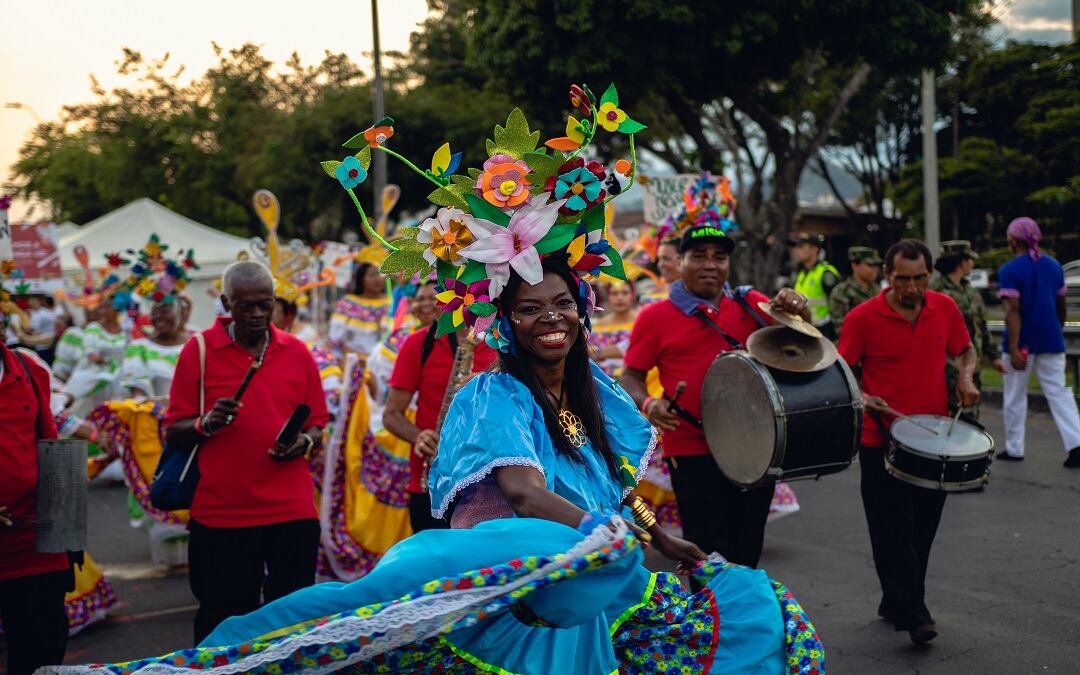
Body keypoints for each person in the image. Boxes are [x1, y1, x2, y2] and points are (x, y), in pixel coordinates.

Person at [622, 224, 810, 569]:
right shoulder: (654, 317)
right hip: (691, 448)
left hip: (755, 445)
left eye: (719, 257)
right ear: (680, 262)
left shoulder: (752, 304)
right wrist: (649, 403)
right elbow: (631, 376)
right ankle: (711, 606)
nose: (710, 264)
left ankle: (741, 606)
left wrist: (801, 311)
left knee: (747, 546)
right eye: (699, 256)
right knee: (705, 551)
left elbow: (802, 342)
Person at [165, 261, 329, 643]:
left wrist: (303, 443)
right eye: (245, 306)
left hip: (291, 511)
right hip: (223, 515)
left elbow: (317, 425)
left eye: (264, 304)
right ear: (226, 303)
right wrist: (207, 422)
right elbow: (173, 430)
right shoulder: (198, 351)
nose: (256, 314)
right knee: (223, 622)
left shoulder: (297, 351)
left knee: (292, 622)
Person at [838, 238, 980, 644]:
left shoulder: (945, 307)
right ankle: (916, 615)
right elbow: (842, 372)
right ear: (888, 275)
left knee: (922, 529)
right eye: (903, 279)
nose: (912, 288)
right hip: (880, 439)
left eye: (920, 278)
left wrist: (966, 376)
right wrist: (864, 397)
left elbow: (966, 350)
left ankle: (896, 598)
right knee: (892, 529)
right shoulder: (862, 318)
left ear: (930, 274)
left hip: (934, 440)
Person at [383, 283, 499, 533]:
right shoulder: (417, 344)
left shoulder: (501, 341)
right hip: (431, 484)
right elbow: (391, 415)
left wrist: (488, 384)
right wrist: (419, 436)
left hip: (491, 483)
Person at [0, 340, 72, 675]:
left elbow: (51, 444)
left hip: (36, 543)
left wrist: (68, 541)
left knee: (45, 647)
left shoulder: (28, 367)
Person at [995, 217, 1080, 466]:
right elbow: (1061, 305)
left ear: (1014, 239)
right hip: (1051, 341)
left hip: (1021, 343)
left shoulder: (1010, 270)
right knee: (1059, 393)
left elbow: (1012, 310)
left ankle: (1015, 449)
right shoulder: (1054, 266)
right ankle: (1076, 444)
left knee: (1014, 396)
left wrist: (1013, 348)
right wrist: (1056, 329)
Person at [930, 240, 1003, 419]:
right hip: (948, 369)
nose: (972, 263)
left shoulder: (970, 291)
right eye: (970, 259)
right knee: (950, 419)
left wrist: (994, 356)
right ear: (962, 262)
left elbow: (981, 326)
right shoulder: (937, 292)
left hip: (972, 366)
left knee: (971, 418)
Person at [328, 260, 390, 358]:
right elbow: (335, 339)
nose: (378, 279)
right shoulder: (348, 303)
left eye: (381, 274)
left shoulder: (391, 304)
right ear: (361, 278)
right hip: (349, 360)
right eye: (372, 275)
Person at [790, 232, 840, 339]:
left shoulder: (825, 273)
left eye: (801, 246)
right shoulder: (802, 273)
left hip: (824, 331)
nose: (796, 250)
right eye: (796, 247)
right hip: (805, 329)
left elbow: (839, 306)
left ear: (814, 249)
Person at [828, 245, 882, 336]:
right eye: (870, 265)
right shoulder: (841, 292)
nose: (876, 269)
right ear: (855, 266)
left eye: (877, 265)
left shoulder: (878, 291)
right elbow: (841, 328)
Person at [588, 280, 637, 377]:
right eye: (614, 293)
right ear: (608, 297)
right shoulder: (600, 324)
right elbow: (589, 352)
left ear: (632, 295)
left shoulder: (642, 320)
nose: (620, 298)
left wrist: (601, 353)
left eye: (625, 293)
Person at [640, 236, 681, 305]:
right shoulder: (652, 297)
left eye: (666, 258)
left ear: (683, 260)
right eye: (659, 259)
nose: (660, 265)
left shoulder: (697, 294)